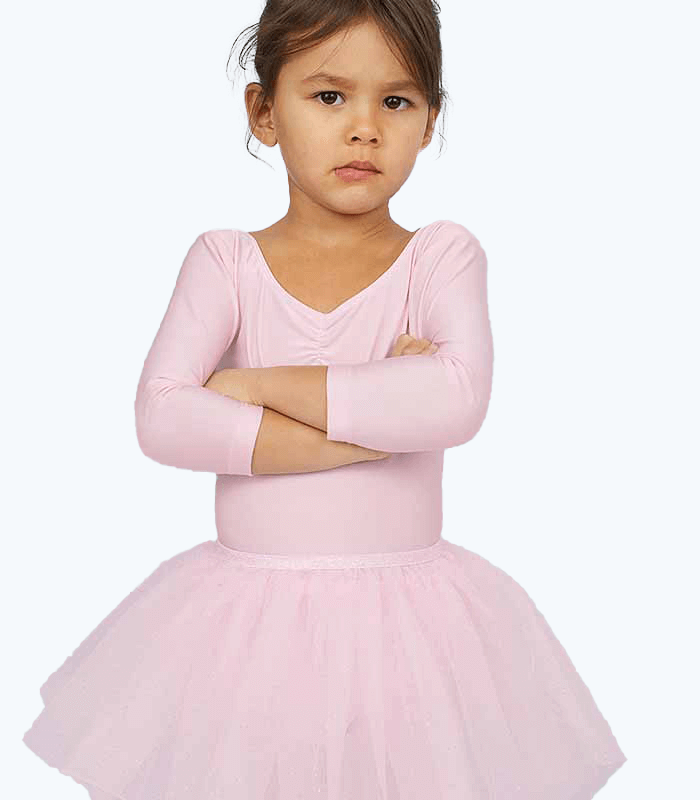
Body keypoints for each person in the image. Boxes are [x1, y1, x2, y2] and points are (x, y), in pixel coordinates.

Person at [22, 2, 628, 798]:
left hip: (412, 630)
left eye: (396, 100)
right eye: (330, 96)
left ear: (430, 120)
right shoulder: (226, 262)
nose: (364, 129)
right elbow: (163, 416)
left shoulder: (440, 258)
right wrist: (378, 424)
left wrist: (249, 387)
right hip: (244, 627)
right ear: (264, 112)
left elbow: (456, 400)